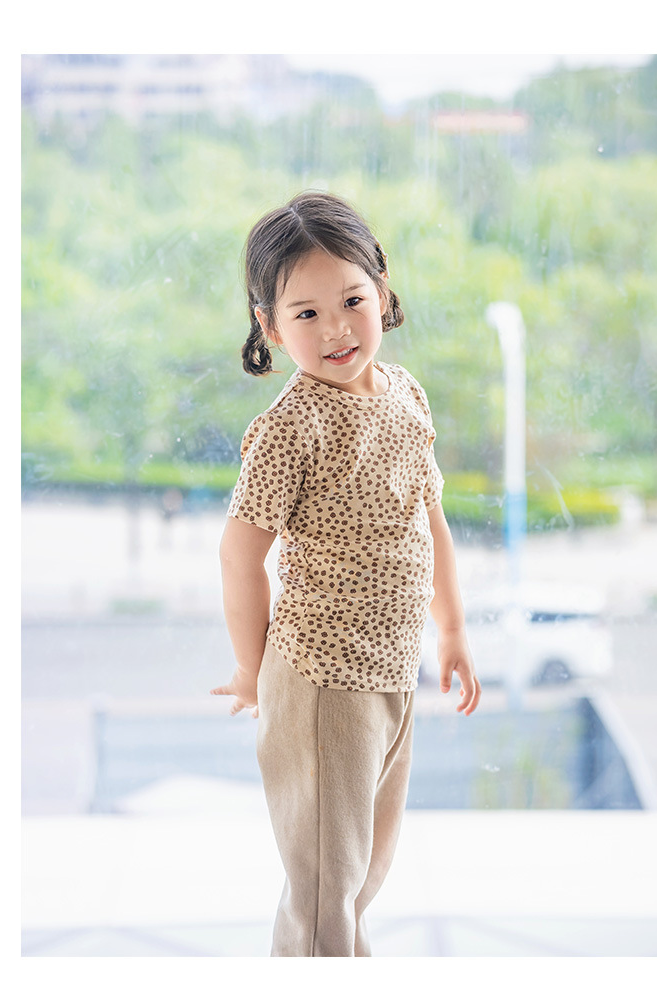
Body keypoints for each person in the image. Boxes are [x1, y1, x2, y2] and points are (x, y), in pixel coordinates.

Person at [211, 191, 481, 957]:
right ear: (270, 326)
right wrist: (251, 669)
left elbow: (430, 522)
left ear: (383, 291)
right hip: (320, 682)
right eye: (306, 313)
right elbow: (239, 553)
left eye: (352, 301)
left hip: (393, 673)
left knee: (360, 879)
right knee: (324, 895)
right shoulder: (290, 428)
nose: (335, 328)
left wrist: (453, 631)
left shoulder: (406, 395)